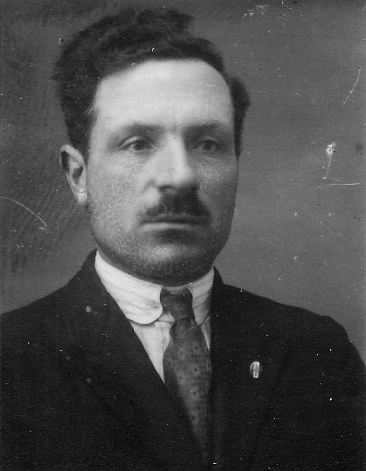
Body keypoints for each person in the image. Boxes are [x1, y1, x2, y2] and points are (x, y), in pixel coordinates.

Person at [1, 7, 365, 471]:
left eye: (208, 143)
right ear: (79, 176)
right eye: (138, 143)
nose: (180, 176)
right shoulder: (10, 361)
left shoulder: (315, 352)